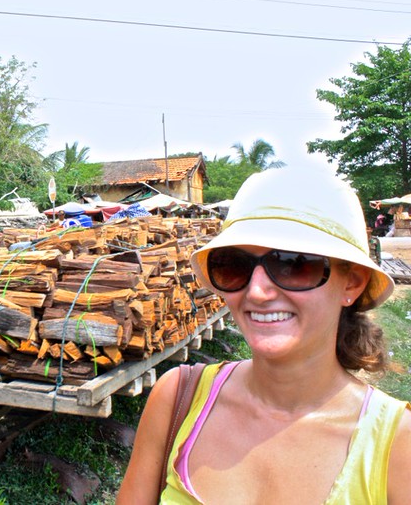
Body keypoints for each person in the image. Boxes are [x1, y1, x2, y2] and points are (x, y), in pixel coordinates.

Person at [118, 166, 410, 504]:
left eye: (294, 263)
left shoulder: (398, 445)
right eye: (234, 265)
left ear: (352, 283)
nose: (257, 291)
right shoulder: (177, 400)